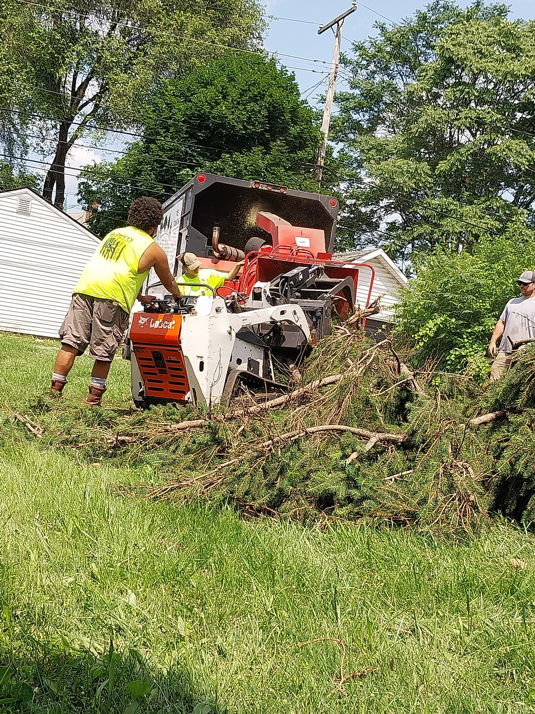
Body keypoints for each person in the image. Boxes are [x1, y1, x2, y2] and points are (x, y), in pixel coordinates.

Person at [50, 197, 183, 405]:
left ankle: (52, 395)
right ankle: (92, 402)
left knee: (71, 343)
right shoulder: (153, 248)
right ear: (154, 225)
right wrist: (179, 296)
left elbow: (119, 267)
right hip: (112, 297)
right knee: (104, 350)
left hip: (85, 288)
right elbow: (169, 281)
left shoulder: (115, 234)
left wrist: (139, 296)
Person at [488, 270, 535, 382]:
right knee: (494, 378)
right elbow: (501, 323)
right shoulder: (512, 302)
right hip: (505, 350)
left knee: (519, 384)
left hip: (526, 352)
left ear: (534, 284)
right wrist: (493, 341)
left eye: (525, 283)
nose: (522, 286)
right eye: (520, 283)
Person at [177, 252, 244, 296]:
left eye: (197, 266)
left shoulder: (207, 274)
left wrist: (238, 265)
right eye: (193, 267)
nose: (197, 269)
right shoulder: (180, 282)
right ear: (184, 268)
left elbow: (228, 277)